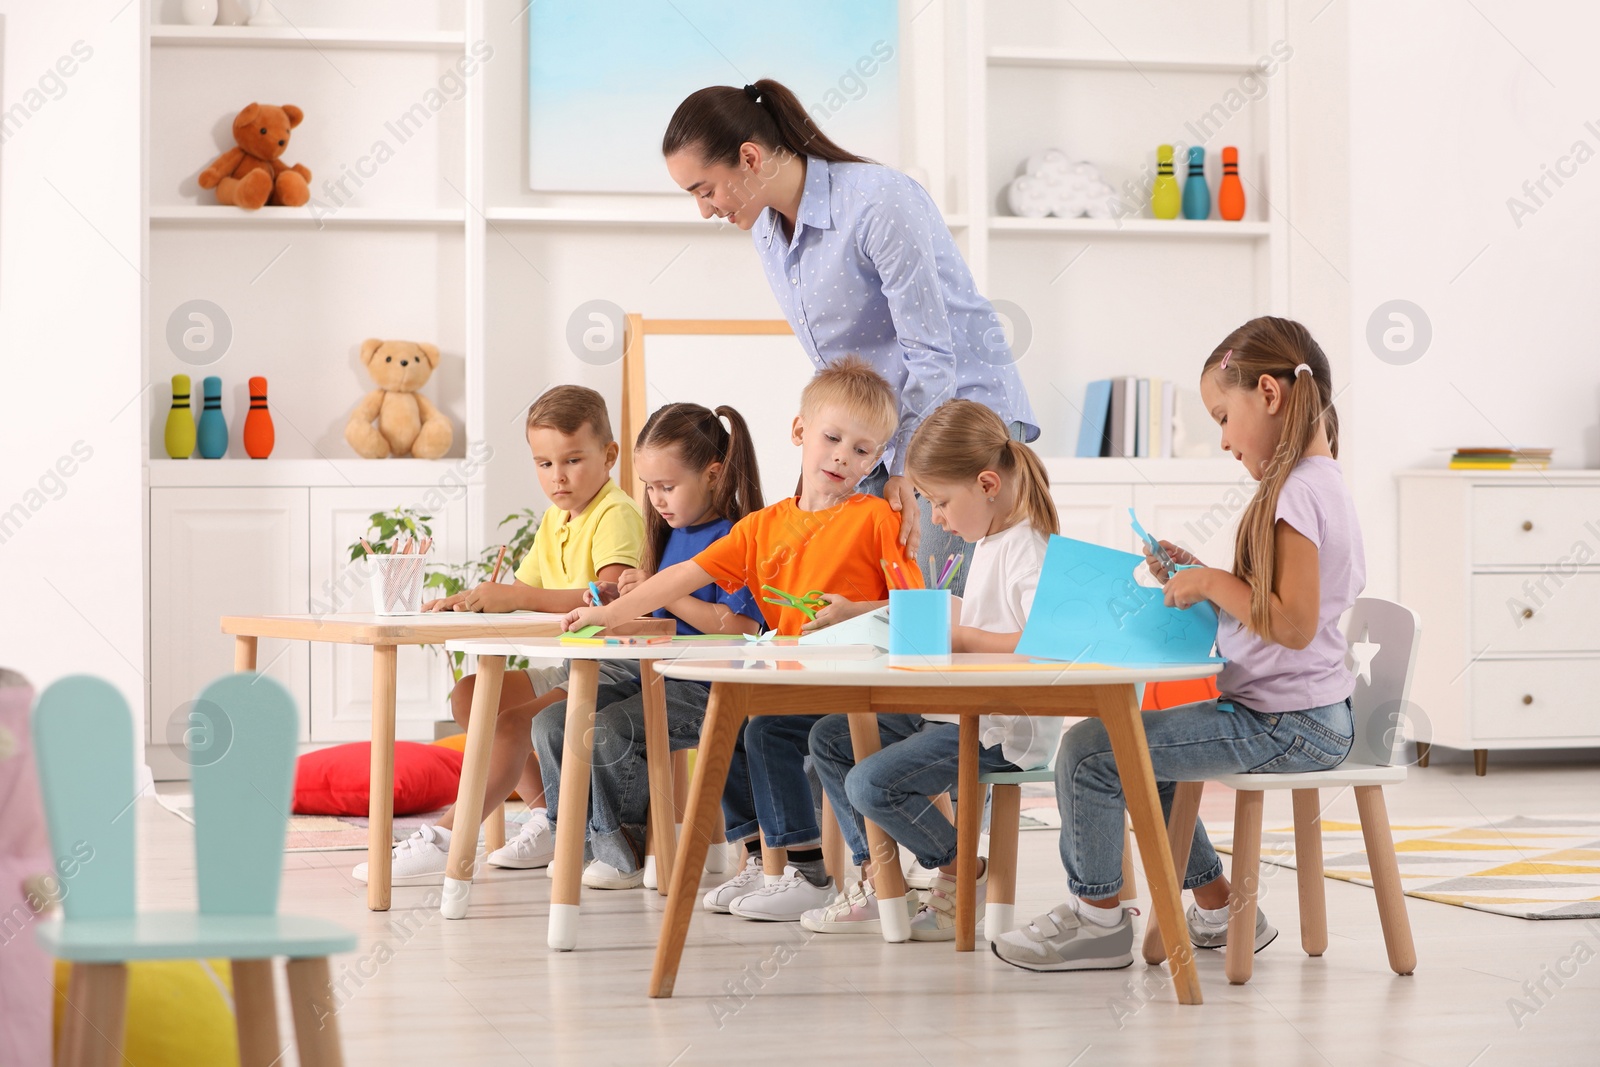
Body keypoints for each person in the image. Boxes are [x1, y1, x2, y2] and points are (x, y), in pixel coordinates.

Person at [992, 317, 1364, 972]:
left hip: (1289, 723)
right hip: (1301, 715)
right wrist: (1204, 579)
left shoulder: (1298, 493)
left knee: (1089, 749)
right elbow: (1279, 607)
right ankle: (1218, 907)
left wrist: (1217, 580)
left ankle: (1098, 920)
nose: (1222, 439)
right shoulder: (1317, 483)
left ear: (1270, 395)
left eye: (1223, 416)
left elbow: (1296, 623)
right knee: (1144, 747)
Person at [563, 356, 921, 921]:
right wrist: (607, 616)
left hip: (864, 688)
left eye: (864, 451)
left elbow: (917, 611)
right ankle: (799, 872)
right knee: (747, 726)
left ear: (879, 459)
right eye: (832, 438)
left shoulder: (877, 517)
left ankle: (818, 873)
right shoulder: (762, 528)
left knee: (761, 730)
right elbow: (679, 579)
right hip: (803, 686)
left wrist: (857, 609)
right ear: (800, 431)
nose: (842, 458)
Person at [661, 77, 1037, 590]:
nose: (705, 210)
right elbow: (832, 367)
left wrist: (906, 464)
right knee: (864, 612)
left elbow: (931, 353)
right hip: (879, 436)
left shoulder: (877, 201)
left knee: (935, 612)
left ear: (749, 158)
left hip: (956, 425)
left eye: (704, 190)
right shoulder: (770, 233)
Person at [353, 386, 644, 886]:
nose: (557, 477)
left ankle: (447, 838)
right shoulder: (557, 518)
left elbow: (609, 600)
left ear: (610, 456)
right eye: (544, 464)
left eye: (573, 460)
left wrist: (514, 598)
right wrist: (466, 601)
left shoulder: (615, 512)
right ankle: (546, 815)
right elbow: (520, 591)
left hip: (615, 668)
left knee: (511, 727)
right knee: (469, 696)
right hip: (571, 664)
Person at [806, 399, 1059, 940]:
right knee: (830, 736)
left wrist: (962, 637)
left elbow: (1044, 647)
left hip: (1002, 727)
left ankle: (958, 870)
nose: (937, 517)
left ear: (988, 484)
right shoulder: (988, 540)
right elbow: (969, 614)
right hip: (953, 708)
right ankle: (881, 875)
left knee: (871, 783)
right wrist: (870, 613)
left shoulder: (1030, 550)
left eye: (940, 502)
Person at [528, 403, 765, 890]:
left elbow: (740, 626)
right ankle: (575, 840)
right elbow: (662, 621)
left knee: (613, 729)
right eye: (650, 487)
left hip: (710, 683)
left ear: (713, 474)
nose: (656, 499)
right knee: (552, 723)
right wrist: (635, 596)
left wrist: (666, 594)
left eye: (667, 486)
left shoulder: (736, 536)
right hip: (656, 673)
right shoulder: (669, 533)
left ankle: (622, 849)